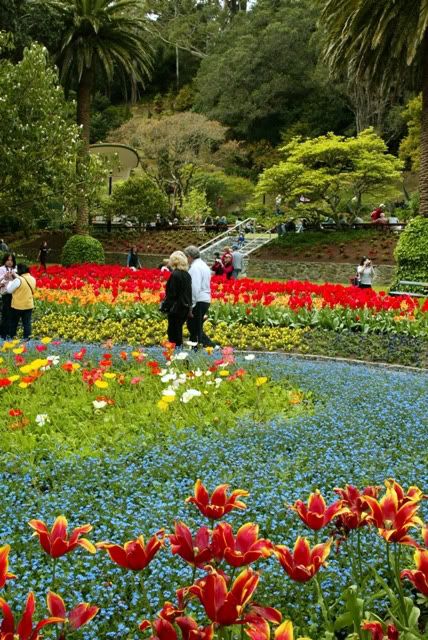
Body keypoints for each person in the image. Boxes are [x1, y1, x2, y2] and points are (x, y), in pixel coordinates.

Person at [184, 245, 214, 348]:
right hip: (205, 299)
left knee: (194, 328)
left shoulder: (195, 268)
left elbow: (194, 287)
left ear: (189, 256)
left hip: (199, 300)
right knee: (195, 327)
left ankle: (210, 347)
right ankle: (196, 349)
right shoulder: (203, 265)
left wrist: (190, 305)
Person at [161, 251, 192, 347]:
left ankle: (176, 354)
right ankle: (179, 352)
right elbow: (189, 292)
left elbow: (172, 294)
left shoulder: (175, 275)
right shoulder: (187, 275)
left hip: (176, 308)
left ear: (174, 261)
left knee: (173, 333)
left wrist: (165, 307)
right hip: (184, 307)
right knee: (178, 330)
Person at [7, 263, 36, 341]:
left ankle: (12, 338)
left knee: (14, 323)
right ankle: (27, 340)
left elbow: (9, 290)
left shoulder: (18, 280)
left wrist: (10, 281)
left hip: (18, 306)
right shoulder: (32, 278)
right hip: (29, 305)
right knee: (27, 323)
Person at [0, 253, 17, 339]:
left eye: (11, 260)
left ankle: (11, 333)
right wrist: (4, 276)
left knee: (13, 315)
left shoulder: (15, 269)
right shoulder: (2, 269)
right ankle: (3, 334)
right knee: (5, 314)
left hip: (14, 295)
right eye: (8, 260)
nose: (10, 262)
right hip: (6, 294)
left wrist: (14, 275)